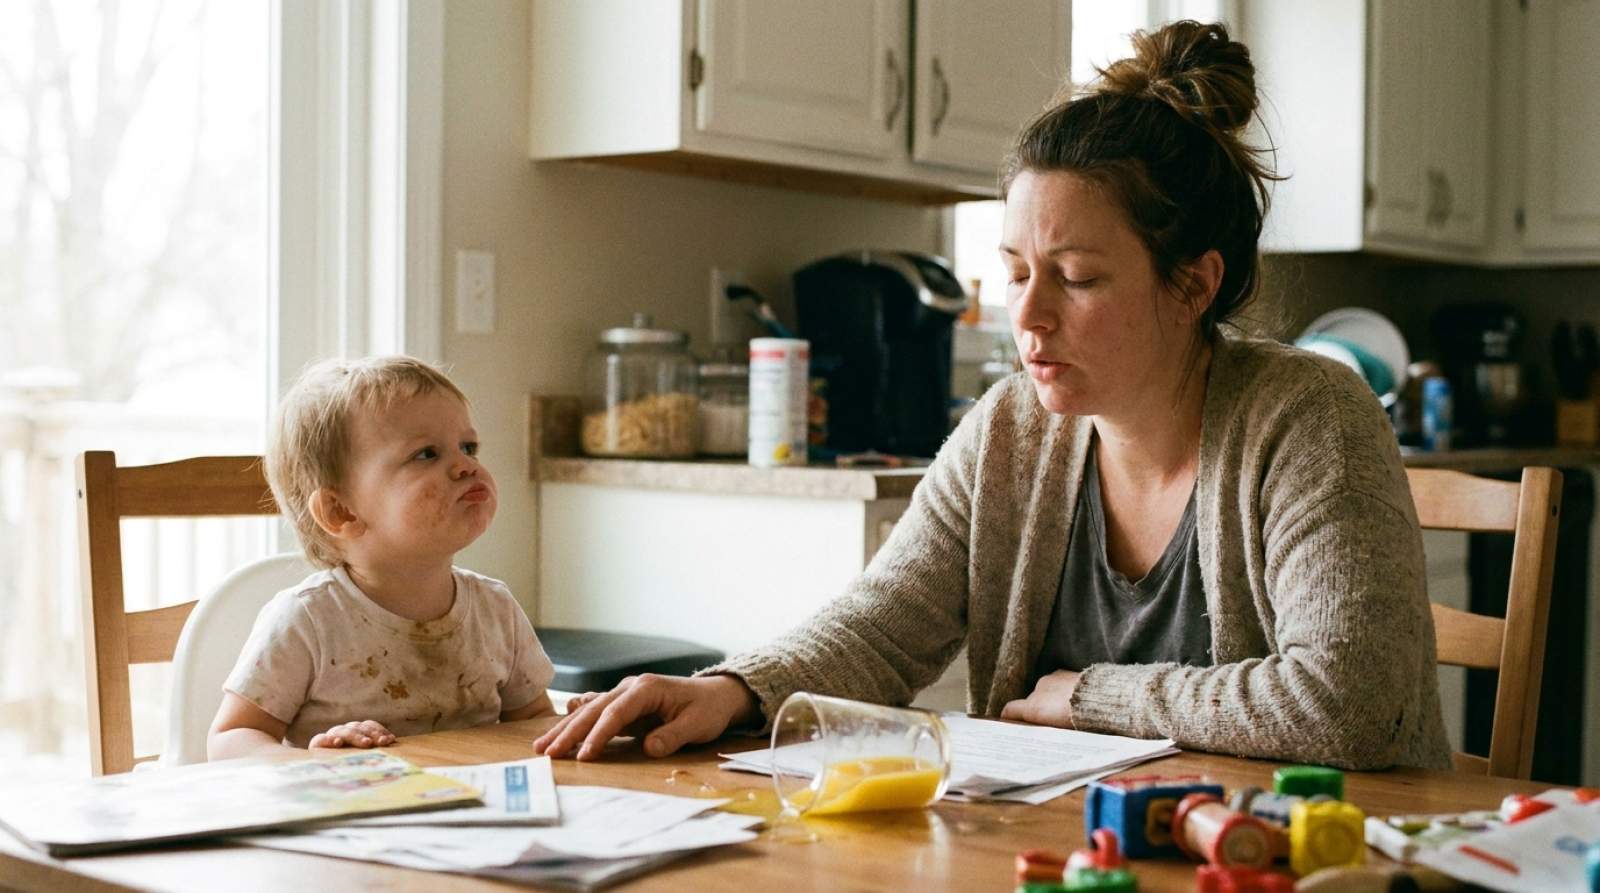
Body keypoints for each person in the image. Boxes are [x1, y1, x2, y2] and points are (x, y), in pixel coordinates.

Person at [533, 20, 1451, 771]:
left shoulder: (1310, 417)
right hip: (1070, 851)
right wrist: (732, 689)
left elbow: (1348, 703)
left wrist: (1090, 697)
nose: (1030, 316)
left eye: (1077, 278)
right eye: (1015, 273)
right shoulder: (1011, 427)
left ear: (1193, 284)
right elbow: (883, 627)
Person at [209, 357, 556, 758]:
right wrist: (308, 763)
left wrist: (577, 726)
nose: (465, 466)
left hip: (472, 794)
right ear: (341, 511)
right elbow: (230, 739)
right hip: (350, 797)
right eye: (426, 454)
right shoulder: (308, 621)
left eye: (468, 447)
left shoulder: (495, 609)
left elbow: (533, 722)